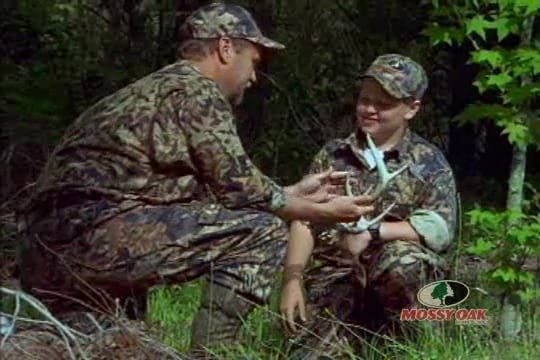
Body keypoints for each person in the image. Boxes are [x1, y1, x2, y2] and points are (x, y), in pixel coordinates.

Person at [15, 2, 374, 354]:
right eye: (254, 63)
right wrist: (317, 211)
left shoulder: (149, 91)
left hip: (47, 249)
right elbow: (243, 190)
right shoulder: (197, 90)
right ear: (225, 48)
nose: (252, 77)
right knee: (260, 231)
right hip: (92, 236)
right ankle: (213, 353)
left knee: (103, 345)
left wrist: (290, 193)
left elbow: (217, 194)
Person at [280, 54, 458, 358]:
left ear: (412, 109)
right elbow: (303, 219)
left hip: (394, 280)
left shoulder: (429, 162)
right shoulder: (333, 156)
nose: (369, 110)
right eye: (365, 100)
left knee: (405, 263)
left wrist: (373, 233)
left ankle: (409, 342)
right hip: (336, 276)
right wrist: (291, 281)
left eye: (384, 104)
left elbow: (439, 228)